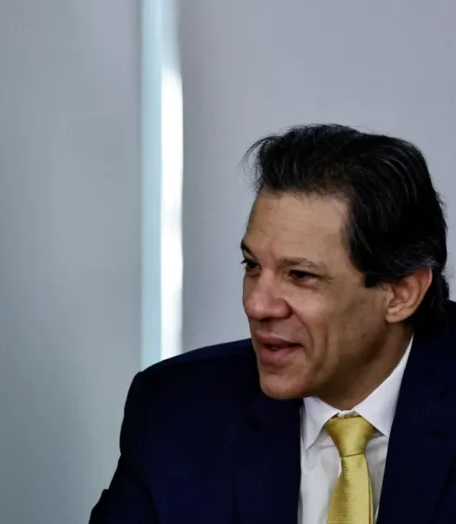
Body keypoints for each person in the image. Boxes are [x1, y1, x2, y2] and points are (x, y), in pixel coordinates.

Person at [90, 124, 456, 524]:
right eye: (252, 266)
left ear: (401, 293)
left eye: (300, 275)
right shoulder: (175, 411)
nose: (256, 304)